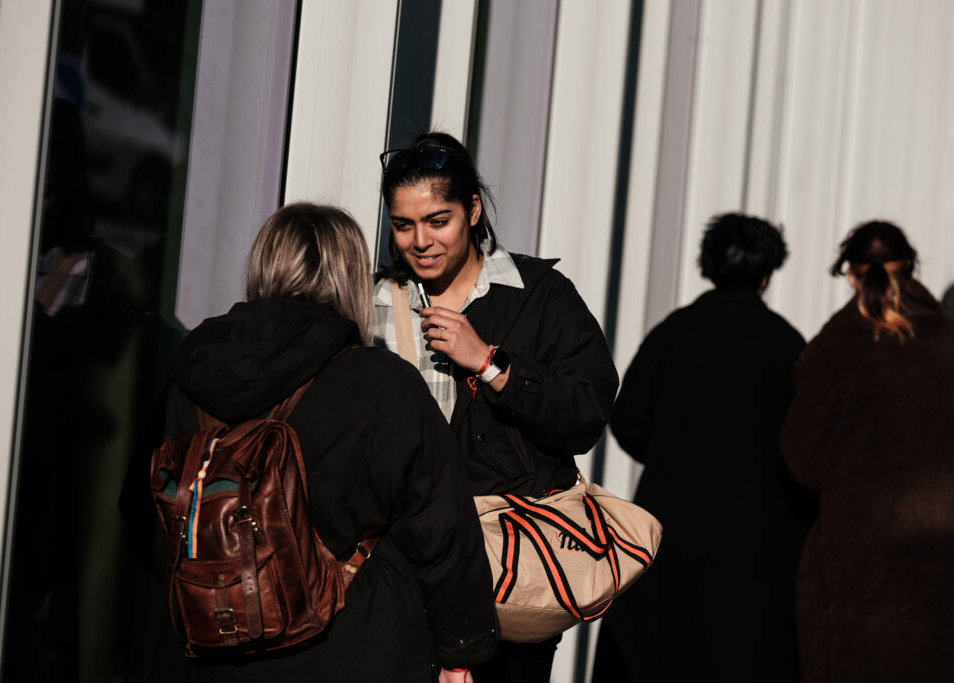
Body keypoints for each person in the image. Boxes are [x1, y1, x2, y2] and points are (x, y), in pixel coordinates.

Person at [160, 202, 497, 682]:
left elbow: (151, 516)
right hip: (355, 642)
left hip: (216, 638)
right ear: (350, 279)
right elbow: (442, 529)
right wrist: (461, 652)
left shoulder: (191, 377)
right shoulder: (381, 382)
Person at [374, 132, 619, 683]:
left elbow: (586, 412)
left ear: (473, 211)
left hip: (508, 576)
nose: (420, 241)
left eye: (438, 220)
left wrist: (491, 364)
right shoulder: (373, 303)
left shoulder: (540, 295)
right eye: (403, 225)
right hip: (399, 575)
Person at [591, 213, 809, 682]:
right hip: (760, 540)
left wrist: (675, 457)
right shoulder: (787, 344)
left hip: (673, 525)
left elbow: (628, 419)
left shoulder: (674, 333)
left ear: (708, 266)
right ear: (767, 273)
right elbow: (805, 442)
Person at [781, 220, 954, 682]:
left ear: (850, 273)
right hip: (941, 560)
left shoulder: (832, 350)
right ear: (912, 267)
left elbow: (802, 461)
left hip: (855, 563)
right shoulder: (948, 342)